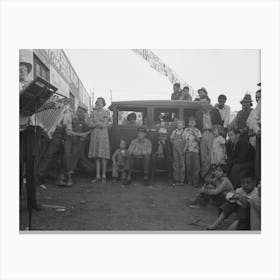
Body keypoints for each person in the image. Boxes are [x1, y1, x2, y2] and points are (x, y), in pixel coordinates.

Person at [195, 96, 222, 180]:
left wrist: (218, 135)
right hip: (203, 134)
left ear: (209, 102)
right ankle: (205, 178)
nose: (202, 104)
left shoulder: (215, 111)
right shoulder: (198, 113)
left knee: (213, 156)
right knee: (204, 157)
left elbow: (219, 124)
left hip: (213, 134)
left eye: (204, 102)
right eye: (201, 103)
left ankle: (213, 178)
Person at [62, 105, 90, 186]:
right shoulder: (70, 116)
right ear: (77, 110)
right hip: (68, 139)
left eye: (83, 112)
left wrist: (86, 134)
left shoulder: (84, 121)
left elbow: (89, 129)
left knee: (75, 155)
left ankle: (69, 176)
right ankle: (66, 176)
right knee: (67, 155)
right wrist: (82, 134)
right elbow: (68, 132)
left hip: (77, 141)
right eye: (79, 111)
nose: (80, 113)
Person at [88, 97, 110, 184]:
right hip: (95, 136)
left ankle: (104, 176)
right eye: (97, 102)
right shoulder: (93, 112)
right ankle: (97, 176)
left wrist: (96, 123)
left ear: (103, 104)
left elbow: (104, 125)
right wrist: (97, 123)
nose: (98, 103)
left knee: (103, 156)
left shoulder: (106, 112)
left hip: (103, 136)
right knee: (96, 157)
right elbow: (90, 124)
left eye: (101, 102)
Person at [247, 89, 261, 184]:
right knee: (258, 162)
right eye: (256, 97)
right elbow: (249, 122)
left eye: (259, 96)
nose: (258, 99)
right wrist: (257, 130)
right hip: (258, 134)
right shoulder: (256, 109)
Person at [183, 116, 202, 187]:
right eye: (190, 122)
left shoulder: (198, 131)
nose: (191, 124)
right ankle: (189, 181)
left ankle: (195, 182)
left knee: (196, 167)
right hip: (188, 150)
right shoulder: (186, 130)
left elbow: (199, 141)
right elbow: (184, 140)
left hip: (195, 151)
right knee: (188, 166)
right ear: (188, 123)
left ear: (195, 123)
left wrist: (194, 134)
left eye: (193, 122)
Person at [170, 120, 185, 186]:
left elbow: (186, 141)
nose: (179, 125)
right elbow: (171, 139)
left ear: (183, 126)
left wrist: (183, 148)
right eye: (178, 124)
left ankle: (182, 180)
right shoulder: (174, 131)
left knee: (182, 164)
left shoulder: (184, 132)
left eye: (181, 124)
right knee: (176, 164)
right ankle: (176, 180)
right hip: (175, 149)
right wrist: (175, 144)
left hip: (182, 149)